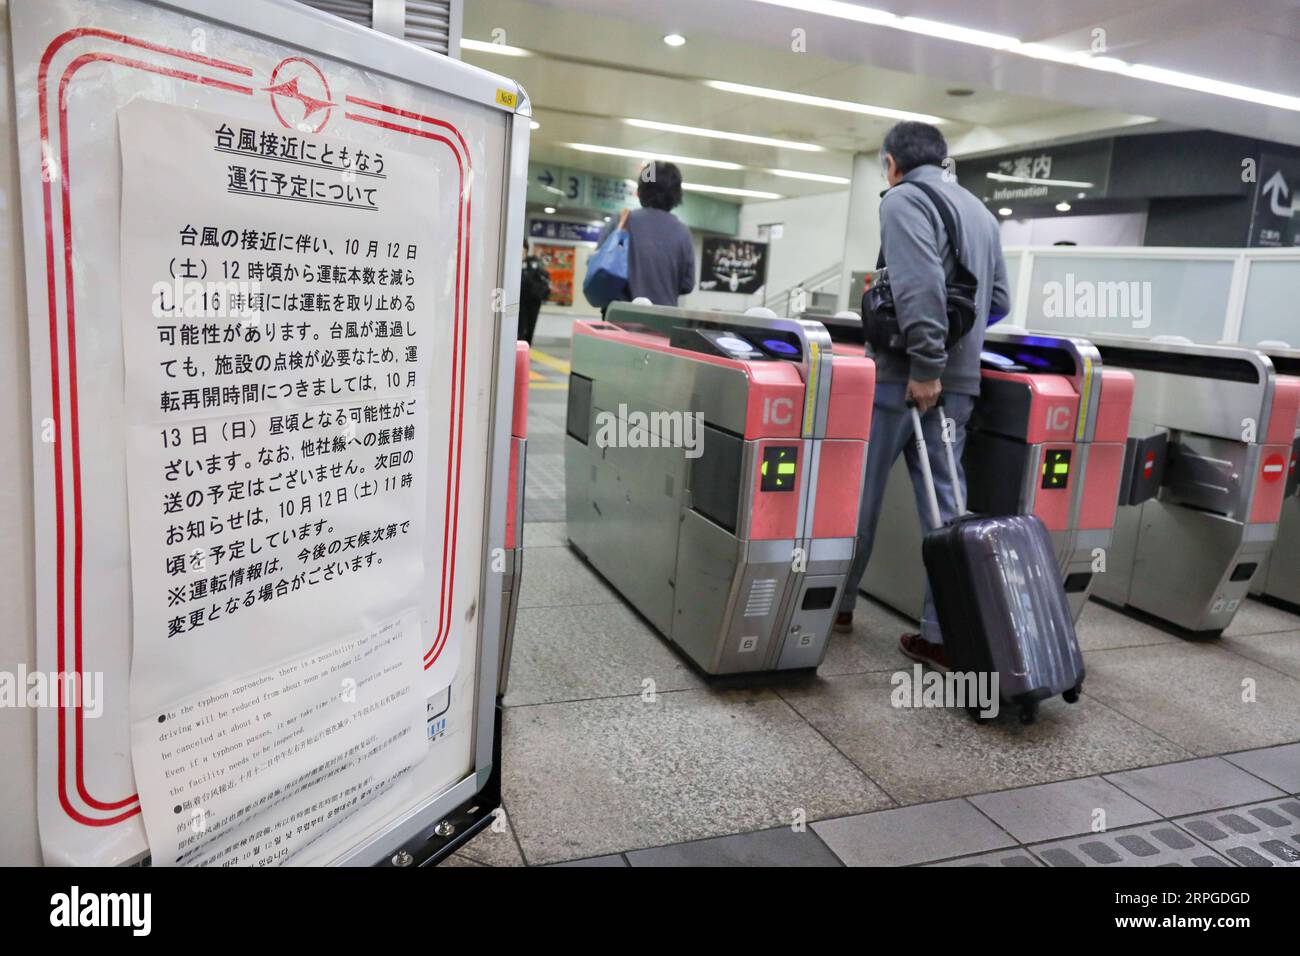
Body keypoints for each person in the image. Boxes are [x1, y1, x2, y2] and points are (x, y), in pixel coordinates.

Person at [835, 120, 1011, 671]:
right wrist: (956, 351)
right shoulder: (979, 212)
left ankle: (834, 607)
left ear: (891, 163)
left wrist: (926, 363)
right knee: (946, 509)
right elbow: (999, 299)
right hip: (959, 387)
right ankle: (942, 632)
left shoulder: (904, 200)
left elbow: (918, 285)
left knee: (857, 496)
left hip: (902, 380)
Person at [597, 160, 695, 306]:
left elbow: (599, 267)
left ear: (641, 191)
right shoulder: (682, 232)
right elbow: (687, 284)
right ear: (676, 194)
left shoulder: (622, 221)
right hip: (664, 320)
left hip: (620, 318)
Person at [518, 242, 549, 344]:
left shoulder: (533, 264)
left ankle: (525, 350)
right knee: (519, 328)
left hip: (532, 302)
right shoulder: (512, 265)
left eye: (523, 251)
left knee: (528, 328)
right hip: (518, 303)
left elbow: (542, 279)